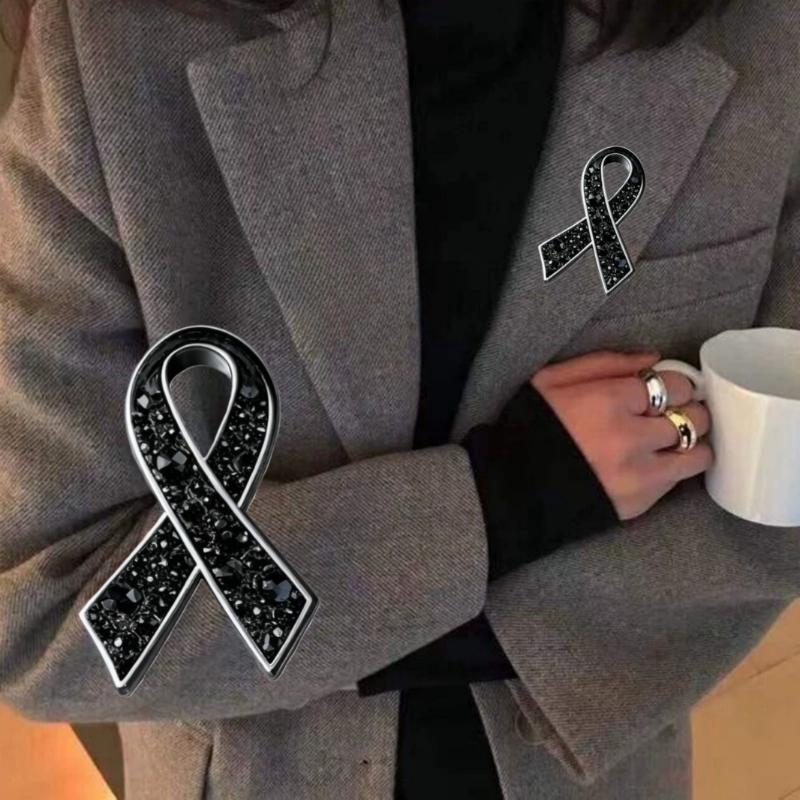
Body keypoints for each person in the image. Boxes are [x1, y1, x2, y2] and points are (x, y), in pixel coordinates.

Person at [0, 0, 798, 797]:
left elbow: (779, 509)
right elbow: (45, 618)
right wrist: (506, 502)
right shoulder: (111, 52)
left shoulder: (763, 34)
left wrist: (314, 619)